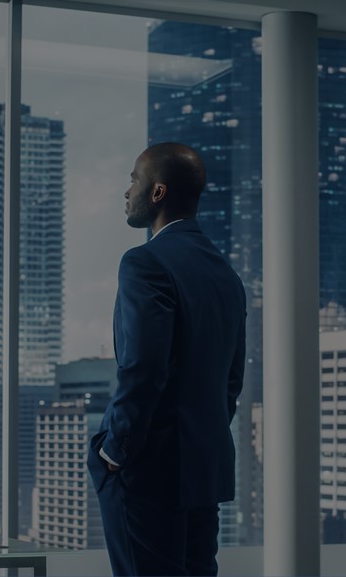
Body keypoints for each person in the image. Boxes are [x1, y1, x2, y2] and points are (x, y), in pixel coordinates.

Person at [88, 142, 246, 576]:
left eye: (134, 180)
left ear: (157, 192)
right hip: (202, 469)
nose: (127, 191)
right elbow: (231, 380)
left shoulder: (145, 263)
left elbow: (143, 368)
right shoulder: (226, 276)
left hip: (148, 471)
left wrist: (114, 453)